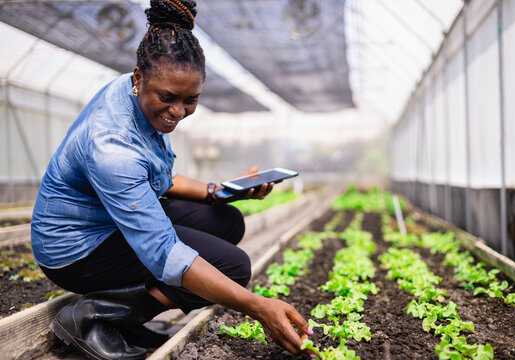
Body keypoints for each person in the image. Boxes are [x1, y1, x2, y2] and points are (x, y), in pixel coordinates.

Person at [30, 1, 313, 359]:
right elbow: (163, 252)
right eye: (168, 98)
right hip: (75, 249)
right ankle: (99, 315)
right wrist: (258, 306)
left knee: (226, 221)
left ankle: (123, 311)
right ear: (138, 78)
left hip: (108, 221)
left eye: (190, 100)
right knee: (234, 267)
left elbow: (159, 178)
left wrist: (220, 191)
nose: (177, 112)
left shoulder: (136, 95)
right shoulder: (111, 148)